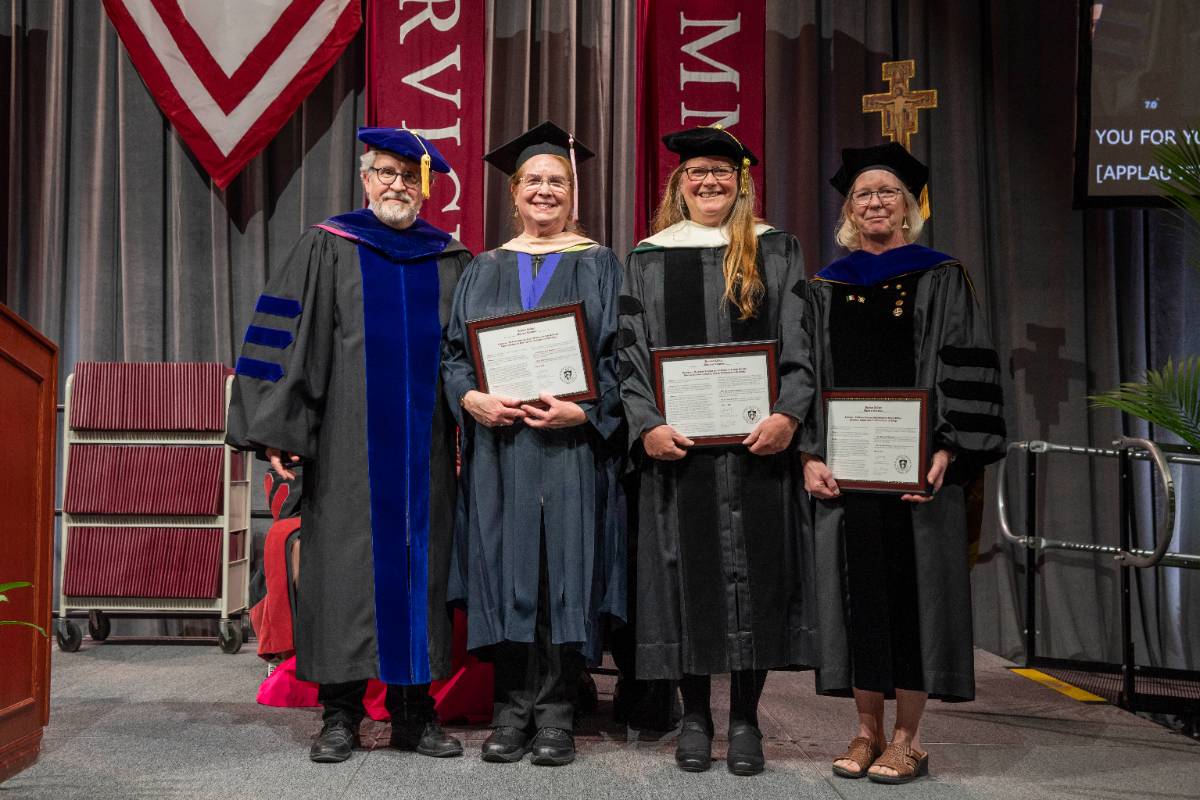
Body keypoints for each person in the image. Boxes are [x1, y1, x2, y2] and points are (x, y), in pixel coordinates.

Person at [227, 127, 472, 763]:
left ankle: (414, 712)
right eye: (384, 173)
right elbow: (285, 337)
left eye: (408, 176)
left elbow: (468, 357)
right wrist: (279, 430)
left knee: (421, 572)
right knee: (343, 574)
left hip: (425, 454)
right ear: (364, 181)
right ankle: (339, 714)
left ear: (426, 188)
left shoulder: (448, 259)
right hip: (344, 446)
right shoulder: (329, 246)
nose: (396, 185)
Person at [802, 142, 1006, 784]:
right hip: (848, 470)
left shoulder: (942, 276)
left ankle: (908, 737)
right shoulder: (825, 287)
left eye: (888, 191)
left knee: (913, 594)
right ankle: (864, 732)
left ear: (910, 205)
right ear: (848, 209)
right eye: (863, 194)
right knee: (859, 592)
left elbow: (963, 361)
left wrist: (948, 448)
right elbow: (803, 375)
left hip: (918, 470)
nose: (874, 203)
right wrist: (809, 453)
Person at [617, 125, 817, 776]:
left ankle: (746, 720)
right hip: (678, 454)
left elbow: (800, 343)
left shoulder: (775, 249)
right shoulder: (649, 256)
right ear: (679, 183)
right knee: (685, 580)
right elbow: (629, 352)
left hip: (756, 451)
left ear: (741, 182)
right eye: (697, 173)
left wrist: (789, 414)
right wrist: (646, 424)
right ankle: (696, 716)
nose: (709, 183)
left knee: (755, 581)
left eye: (722, 173)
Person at [441, 121, 625, 767]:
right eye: (534, 181)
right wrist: (471, 398)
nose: (545, 192)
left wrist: (586, 410)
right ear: (514, 193)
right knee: (505, 574)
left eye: (558, 181)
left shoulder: (599, 262)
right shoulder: (483, 267)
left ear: (572, 193)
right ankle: (509, 708)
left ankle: (555, 714)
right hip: (501, 451)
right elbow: (455, 356)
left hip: (571, 450)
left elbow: (622, 357)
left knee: (563, 577)